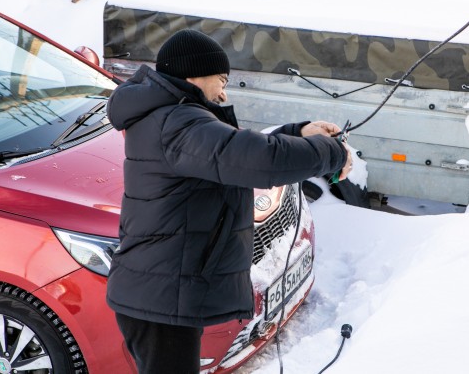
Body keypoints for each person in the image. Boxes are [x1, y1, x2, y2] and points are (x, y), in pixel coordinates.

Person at [105, 28, 351, 373]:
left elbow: (230, 153)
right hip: (159, 300)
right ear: (194, 74)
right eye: (221, 80)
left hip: (159, 293)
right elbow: (258, 159)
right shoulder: (178, 123)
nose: (223, 92)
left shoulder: (171, 116)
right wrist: (332, 152)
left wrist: (297, 134)